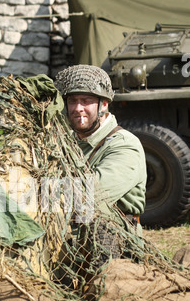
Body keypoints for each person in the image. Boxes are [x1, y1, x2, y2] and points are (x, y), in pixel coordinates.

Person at [54, 64, 147, 234]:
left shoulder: (125, 145)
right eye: (72, 101)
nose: (77, 108)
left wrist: (34, 192)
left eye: (86, 101)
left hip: (115, 241)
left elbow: (90, 194)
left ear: (103, 104)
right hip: (71, 234)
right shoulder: (67, 142)